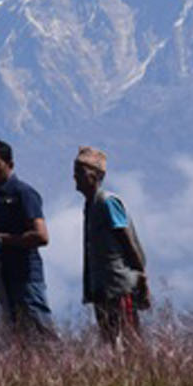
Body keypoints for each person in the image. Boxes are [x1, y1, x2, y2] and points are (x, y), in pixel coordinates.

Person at [0, 139, 57, 343]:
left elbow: (41, 236)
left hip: (25, 275)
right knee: (15, 335)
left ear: (10, 164)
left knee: (39, 331)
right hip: (2, 277)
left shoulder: (23, 194)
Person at [74, 146, 149, 348]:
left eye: (80, 172)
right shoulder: (90, 205)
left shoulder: (107, 203)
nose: (75, 177)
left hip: (118, 284)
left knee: (128, 337)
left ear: (96, 175)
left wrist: (141, 276)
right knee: (110, 339)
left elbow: (127, 240)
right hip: (102, 286)